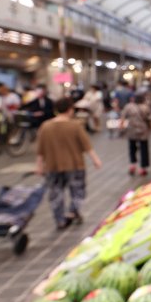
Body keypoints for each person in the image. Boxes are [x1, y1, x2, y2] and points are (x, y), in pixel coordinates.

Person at [35, 97, 102, 229]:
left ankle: (60, 220)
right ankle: (73, 212)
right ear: (70, 110)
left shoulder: (45, 126)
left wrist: (39, 166)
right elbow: (87, 146)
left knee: (56, 193)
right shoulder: (75, 125)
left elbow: (40, 150)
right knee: (78, 191)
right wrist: (95, 160)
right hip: (74, 165)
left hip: (52, 165)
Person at [120, 92, 151, 176]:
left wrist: (121, 128)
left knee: (132, 147)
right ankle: (143, 167)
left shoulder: (128, 107)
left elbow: (122, 118)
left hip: (131, 130)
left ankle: (133, 164)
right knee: (144, 148)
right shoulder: (146, 108)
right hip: (143, 130)